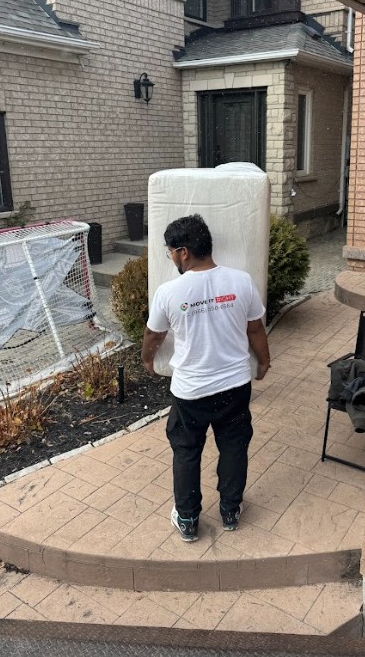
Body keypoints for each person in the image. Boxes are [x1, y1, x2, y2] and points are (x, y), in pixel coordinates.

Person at [141, 214, 270, 542]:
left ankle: (187, 519)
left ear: (183, 252)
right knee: (233, 447)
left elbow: (154, 336)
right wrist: (264, 362)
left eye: (170, 251)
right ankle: (230, 510)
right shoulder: (241, 282)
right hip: (234, 387)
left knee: (186, 451)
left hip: (191, 393)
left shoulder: (169, 292)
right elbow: (255, 328)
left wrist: (147, 359)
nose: (170, 258)